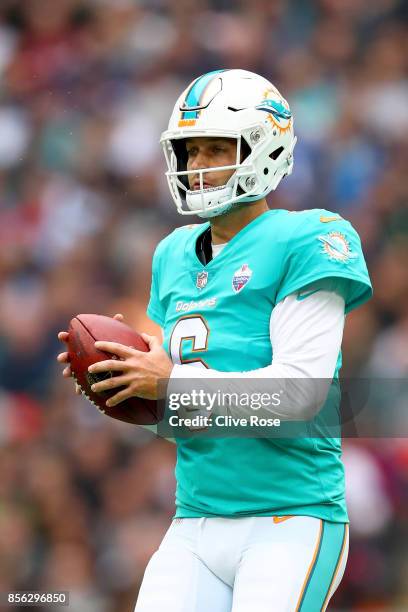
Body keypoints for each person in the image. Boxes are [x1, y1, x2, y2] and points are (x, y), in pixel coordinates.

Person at [58, 69, 372, 611]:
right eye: (190, 151)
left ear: (264, 148)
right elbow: (183, 418)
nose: (198, 167)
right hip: (196, 520)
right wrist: (127, 388)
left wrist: (172, 383)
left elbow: (300, 397)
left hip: (289, 517)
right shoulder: (172, 255)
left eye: (214, 148)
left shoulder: (310, 237)